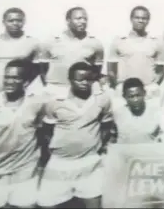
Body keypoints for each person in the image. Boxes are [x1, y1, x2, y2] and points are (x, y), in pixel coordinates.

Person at [37, 62, 113, 208]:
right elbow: (47, 131)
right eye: (79, 79)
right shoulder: (55, 102)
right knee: (45, 203)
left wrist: (95, 147)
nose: (84, 83)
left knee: (95, 204)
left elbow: (106, 126)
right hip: (60, 162)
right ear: (70, 80)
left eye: (88, 79)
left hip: (90, 162)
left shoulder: (102, 99)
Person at [0, 59, 45, 208]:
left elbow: (41, 135)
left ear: (26, 82)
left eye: (15, 78)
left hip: (25, 172)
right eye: (7, 77)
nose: (9, 81)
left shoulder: (36, 104)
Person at [38, 6, 104, 96]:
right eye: (78, 18)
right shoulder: (51, 41)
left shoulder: (95, 43)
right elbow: (43, 69)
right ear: (68, 20)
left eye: (85, 19)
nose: (83, 22)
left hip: (81, 91)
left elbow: (96, 70)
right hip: (56, 88)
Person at [0, 7, 42, 98]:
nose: (15, 23)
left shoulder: (32, 43)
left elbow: (37, 70)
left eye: (19, 20)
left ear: (24, 22)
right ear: (4, 22)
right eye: (11, 20)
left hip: (17, 92)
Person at [106, 6, 164, 98]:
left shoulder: (156, 42)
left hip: (148, 90)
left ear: (148, 20)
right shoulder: (119, 41)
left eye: (144, 18)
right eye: (137, 18)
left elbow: (161, 70)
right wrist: (118, 86)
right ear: (131, 19)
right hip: (125, 89)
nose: (140, 21)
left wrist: (154, 86)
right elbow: (111, 69)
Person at [111, 77, 160, 144]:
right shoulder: (117, 115)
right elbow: (112, 140)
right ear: (124, 96)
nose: (135, 100)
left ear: (144, 93)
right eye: (131, 96)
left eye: (138, 95)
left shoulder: (156, 113)